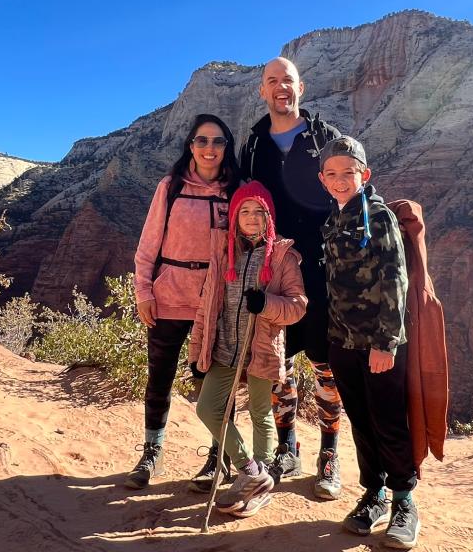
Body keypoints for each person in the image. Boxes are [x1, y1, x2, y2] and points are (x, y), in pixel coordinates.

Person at [239, 56, 344, 499]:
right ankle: (287, 447)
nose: (280, 88)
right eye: (272, 81)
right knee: (278, 362)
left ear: (302, 88)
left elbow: (351, 190)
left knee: (325, 364)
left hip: (322, 270)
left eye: (288, 81)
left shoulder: (326, 138)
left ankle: (330, 455)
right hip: (274, 270)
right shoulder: (253, 147)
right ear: (262, 91)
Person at [124, 114, 240, 490]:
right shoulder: (170, 187)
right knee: (160, 377)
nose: (210, 149)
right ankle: (151, 453)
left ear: (227, 147)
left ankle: (218, 459)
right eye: (202, 141)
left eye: (218, 142)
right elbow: (148, 244)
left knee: (214, 383)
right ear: (190, 145)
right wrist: (144, 290)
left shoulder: (236, 190)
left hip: (215, 302)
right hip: (169, 295)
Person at [318, 135, 421, 549]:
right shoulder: (333, 219)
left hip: (378, 344)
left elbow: (396, 279)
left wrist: (386, 343)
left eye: (349, 172)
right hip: (341, 343)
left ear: (365, 174)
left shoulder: (377, 217)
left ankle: (404, 501)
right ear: (322, 179)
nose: (341, 180)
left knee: (389, 422)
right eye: (333, 174)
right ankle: (373, 495)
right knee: (361, 422)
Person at [189, 181, 307, 516]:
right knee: (208, 409)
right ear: (236, 217)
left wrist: (266, 303)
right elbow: (206, 305)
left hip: (262, 348)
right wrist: (197, 349)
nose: (252, 218)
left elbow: (297, 306)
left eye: (259, 211)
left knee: (260, 412)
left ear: (269, 216)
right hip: (224, 345)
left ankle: (262, 474)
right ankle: (251, 471)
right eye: (246, 211)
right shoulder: (225, 252)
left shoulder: (284, 255)